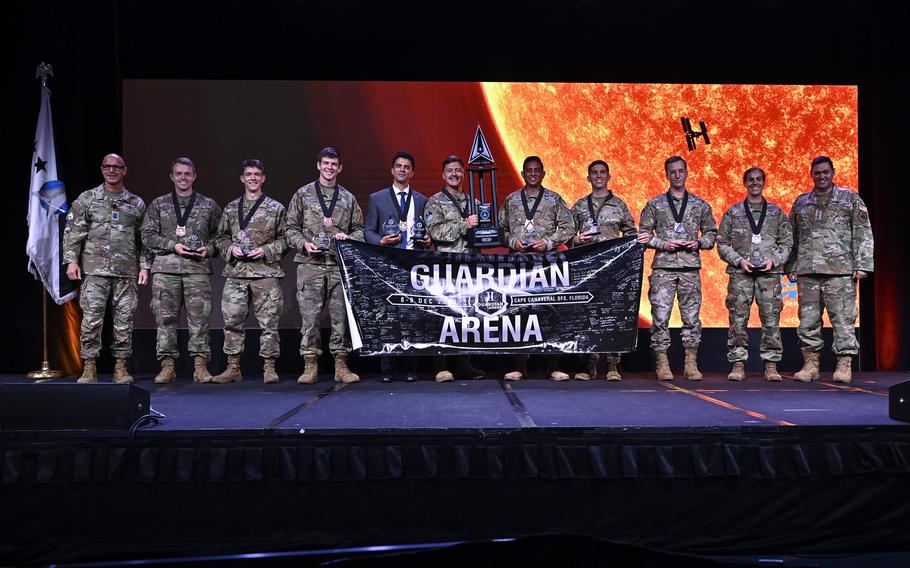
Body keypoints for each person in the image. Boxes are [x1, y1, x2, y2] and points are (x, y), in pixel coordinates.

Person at [785, 156, 874, 383]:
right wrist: (791, 264)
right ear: (811, 175)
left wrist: (862, 264)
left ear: (833, 172)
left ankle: (844, 365)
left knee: (843, 319)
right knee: (808, 321)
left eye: (826, 172)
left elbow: (863, 233)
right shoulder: (802, 202)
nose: (822, 176)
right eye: (817, 173)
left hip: (840, 271)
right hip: (808, 271)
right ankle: (810, 364)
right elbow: (791, 237)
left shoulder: (849, 199)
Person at [63, 153, 149, 383]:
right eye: (107, 167)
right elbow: (73, 232)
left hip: (126, 271)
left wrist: (144, 266)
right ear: (102, 170)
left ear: (124, 170)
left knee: (124, 321)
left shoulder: (136, 203)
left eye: (117, 167)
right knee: (91, 319)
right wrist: (71, 260)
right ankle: (89, 366)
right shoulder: (88, 199)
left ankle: (120, 368)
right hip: (94, 271)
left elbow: (144, 240)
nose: (112, 171)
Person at [140, 157, 222, 384]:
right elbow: (146, 235)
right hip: (165, 271)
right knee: (165, 321)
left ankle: (200, 367)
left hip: (197, 270)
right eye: (179, 173)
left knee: (200, 320)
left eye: (187, 173)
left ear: (194, 176)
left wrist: (209, 249)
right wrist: (171, 245)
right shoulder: (159, 204)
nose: (183, 177)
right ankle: (167, 367)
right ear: (172, 176)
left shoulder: (208, 205)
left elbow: (222, 237)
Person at [286, 147, 363, 384]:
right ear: (318, 165)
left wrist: (348, 238)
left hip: (338, 266)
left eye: (334, 164)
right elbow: (290, 229)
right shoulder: (303, 194)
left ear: (339, 168)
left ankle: (341, 364)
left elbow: (361, 230)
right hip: (310, 265)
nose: (329, 168)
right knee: (310, 319)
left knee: (341, 319)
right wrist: (304, 244)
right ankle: (310, 366)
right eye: (325, 163)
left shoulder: (348, 198)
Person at [637, 156, 717, 381]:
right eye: (673, 172)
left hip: (690, 269)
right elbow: (642, 236)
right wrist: (663, 244)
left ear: (687, 172)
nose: (677, 175)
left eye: (681, 171)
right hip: (663, 268)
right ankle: (662, 363)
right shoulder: (655, 204)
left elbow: (712, 233)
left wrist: (698, 243)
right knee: (660, 317)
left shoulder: (700, 205)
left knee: (691, 318)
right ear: (667, 174)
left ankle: (691, 363)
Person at [498, 156, 576, 380]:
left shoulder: (553, 199)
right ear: (523, 174)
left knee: (549, 312)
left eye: (537, 170)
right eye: (529, 171)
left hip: (546, 266)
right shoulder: (512, 200)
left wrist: (549, 242)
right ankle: (520, 365)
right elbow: (499, 231)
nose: (533, 174)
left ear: (543, 173)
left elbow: (569, 227)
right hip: (518, 266)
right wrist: (513, 242)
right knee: (518, 314)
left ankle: (554, 365)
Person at [211, 159, 288, 384]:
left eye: (257, 174)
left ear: (263, 178)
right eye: (248, 174)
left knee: (269, 323)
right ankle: (233, 367)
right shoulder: (231, 208)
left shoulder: (276, 208)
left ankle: (269, 367)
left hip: (266, 273)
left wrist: (265, 250)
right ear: (242, 178)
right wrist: (230, 248)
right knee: (232, 321)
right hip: (236, 273)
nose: (253, 178)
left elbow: (286, 240)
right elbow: (220, 238)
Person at [716, 167, 792, 381]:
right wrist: (739, 260)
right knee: (738, 320)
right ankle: (738, 364)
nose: (755, 183)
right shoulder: (733, 212)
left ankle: (771, 365)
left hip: (769, 274)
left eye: (759, 179)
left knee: (771, 320)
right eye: (751, 180)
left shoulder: (776, 213)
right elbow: (721, 242)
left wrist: (774, 260)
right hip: (741, 274)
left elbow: (787, 243)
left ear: (764, 182)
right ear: (745, 183)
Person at [364, 151, 431, 382]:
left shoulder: (422, 200)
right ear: (392, 170)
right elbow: (368, 231)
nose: (402, 170)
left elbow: (427, 233)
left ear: (412, 171)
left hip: (413, 267)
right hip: (386, 266)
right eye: (398, 166)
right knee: (388, 316)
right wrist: (379, 241)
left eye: (407, 167)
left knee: (413, 316)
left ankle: (411, 368)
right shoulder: (377, 198)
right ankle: (387, 369)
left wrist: (428, 241)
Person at [570, 160, 638, 380]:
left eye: (602, 173)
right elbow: (567, 233)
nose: (598, 176)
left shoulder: (619, 205)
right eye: (594, 173)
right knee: (587, 315)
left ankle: (612, 366)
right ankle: (588, 365)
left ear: (609, 177)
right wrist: (575, 239)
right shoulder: (580, 206)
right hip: (588, 271)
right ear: (588, 178)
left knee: (612, 315)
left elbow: (631, 234)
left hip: (613, 270)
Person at [424, 155, 485, 382]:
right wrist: (463, 225)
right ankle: (441, 365)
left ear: (463, 174)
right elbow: (436, 233)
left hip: (471, 267)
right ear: (443, 174)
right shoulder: (435, 202)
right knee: (445, 315)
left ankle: (465, 363)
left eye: (458, 170)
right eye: (450, 171)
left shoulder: (475, 203)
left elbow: (484, 233)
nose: (454, 174)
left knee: (468, 315)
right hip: (446, 268)